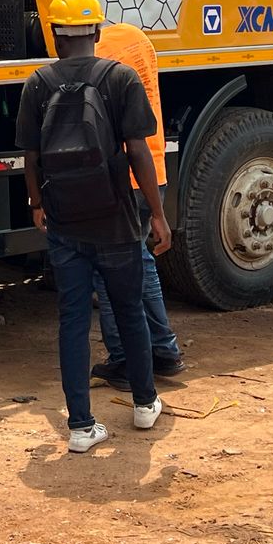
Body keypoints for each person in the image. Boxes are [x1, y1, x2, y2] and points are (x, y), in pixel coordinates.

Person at [16, 0, 171, 454]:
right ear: (98, 32)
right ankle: (144, 404)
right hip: (116, 220)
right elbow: (138, 151)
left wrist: (38, 205)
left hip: (65, 222)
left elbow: (30, 157)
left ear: (55, 35)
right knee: (128, 311)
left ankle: (81, 427)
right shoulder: (120, 78)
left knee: (73, 321)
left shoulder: (37, 83)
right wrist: (157, 213)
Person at [90, 23, 186, 391]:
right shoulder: (136, 40)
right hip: (152, 172)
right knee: (139, 262)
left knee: (109, 270)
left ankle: (124, 359)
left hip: (119, 178)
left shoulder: (92, 55)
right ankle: (162, 350)